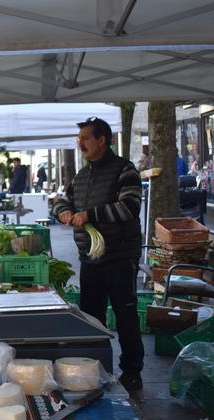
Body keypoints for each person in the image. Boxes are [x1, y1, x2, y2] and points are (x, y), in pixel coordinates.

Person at [52, 116, 144, 392]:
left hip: (119, 257)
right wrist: (63, 211)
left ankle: (132, 372)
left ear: (102, 140)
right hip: (89, 260)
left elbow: (129, 207)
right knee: (92, 318)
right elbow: (61, 199)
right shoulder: (82, 176)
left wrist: (88, 214)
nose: (80, 144)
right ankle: (97, 370)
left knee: (125, 315)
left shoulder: (124, 170)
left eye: (86, 138)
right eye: (79, 139)